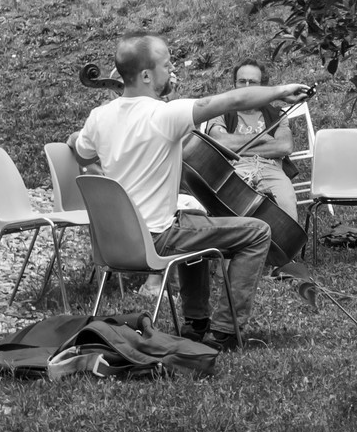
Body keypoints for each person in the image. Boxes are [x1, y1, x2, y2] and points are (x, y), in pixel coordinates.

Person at [69, 34, 310, 351]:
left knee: (192, 218)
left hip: (114, 244)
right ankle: (225, 330)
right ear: (145, 75)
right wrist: (280, 91)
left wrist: (77, 138)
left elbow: (81, 152)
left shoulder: (99, 117)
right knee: (258, 232)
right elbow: (233, 101)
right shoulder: (163, 116)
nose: (171, 71)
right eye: (167, 65)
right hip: (156, 239)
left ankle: (196, 323)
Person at [201, 58, 299, 220]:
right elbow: (220, 142)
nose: (246, 87)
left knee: (286, 205)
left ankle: (285, 245)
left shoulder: (277, 114)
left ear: (262, 86)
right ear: (234, 84)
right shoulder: (221, 112)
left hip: (271, 169)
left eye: (252, 82)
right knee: (230, 210)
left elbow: (284, 147)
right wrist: (260, 138)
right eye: (242, 81)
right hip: (234, 169)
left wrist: (238, 147)